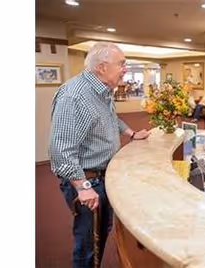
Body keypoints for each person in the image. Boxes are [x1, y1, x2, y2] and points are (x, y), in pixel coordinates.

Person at [49, 42, 151, 268]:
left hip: (104, 177)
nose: (125, 68)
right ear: (102, 67)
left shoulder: (102, 90)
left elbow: (109, 117)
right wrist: (82, 186)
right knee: (88, 245)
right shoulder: (74, 96)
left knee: (101, 233)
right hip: (87, 181)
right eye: (121, 64)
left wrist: (131, 133)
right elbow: (60, 150)